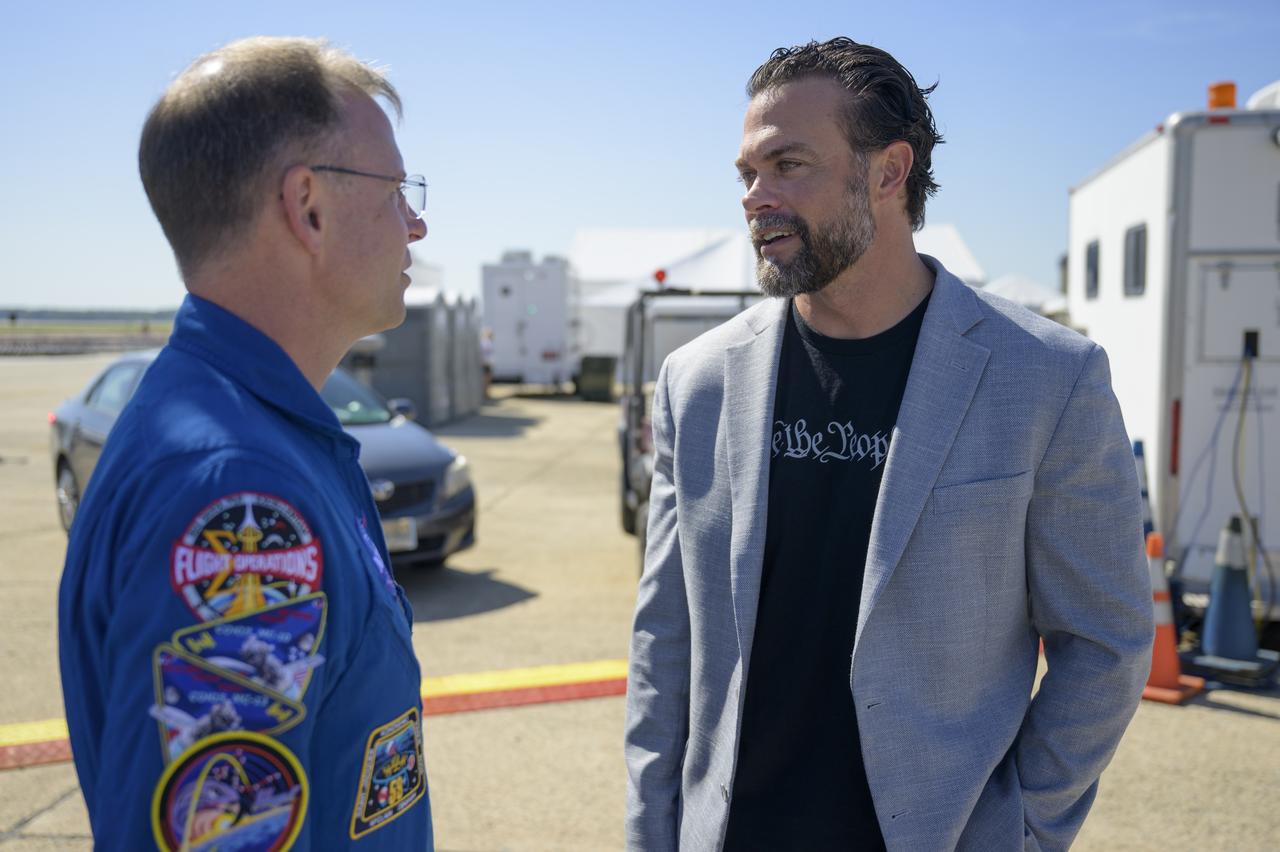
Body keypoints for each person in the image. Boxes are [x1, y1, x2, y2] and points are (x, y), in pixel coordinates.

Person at [624, 37, 1154, 851]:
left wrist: (1022, 830)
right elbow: (667, 642)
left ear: (887, 172)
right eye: (746, 174)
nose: (755, 197)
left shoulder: (1047, 378)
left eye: (789, 164)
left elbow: (1107, 642)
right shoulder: (697, 383)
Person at [58, 37, 433, 850]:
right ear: (308, 208)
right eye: (397, 190)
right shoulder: (234, 487)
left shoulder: (255, 432)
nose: (417, 221)